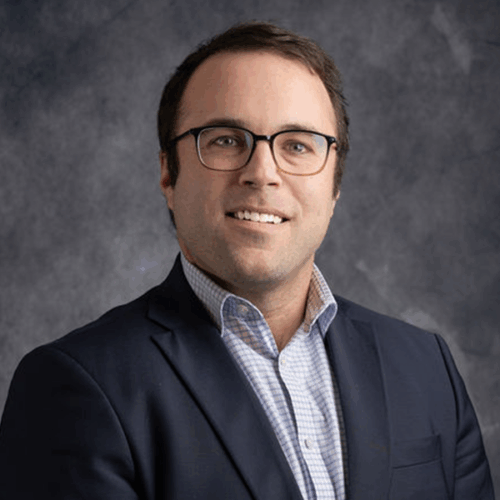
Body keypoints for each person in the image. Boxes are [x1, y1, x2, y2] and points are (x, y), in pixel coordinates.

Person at [0, 21, 494, 500]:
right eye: (225, 139)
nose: (262, 172)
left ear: (335, 185)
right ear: (169, 175)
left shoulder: (425, 366)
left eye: (297, 145)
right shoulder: (74, 385)